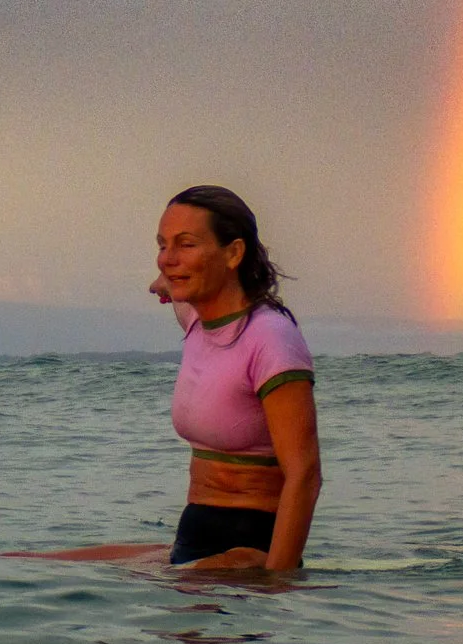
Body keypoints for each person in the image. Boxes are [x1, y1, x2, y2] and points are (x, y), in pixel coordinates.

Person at [17, 185, 321, 572]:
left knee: (121, 600)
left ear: (234, 253)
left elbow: (305, 473)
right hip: (192, 537)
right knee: (26, 564)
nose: (167, 258)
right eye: (163, 245)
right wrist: (166, 283)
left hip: (249, 548)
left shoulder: (271, 338)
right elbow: (173, 289)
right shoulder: (198, 322)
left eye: (186, 244)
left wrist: (278, 578)